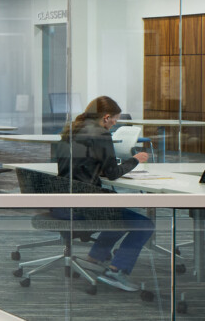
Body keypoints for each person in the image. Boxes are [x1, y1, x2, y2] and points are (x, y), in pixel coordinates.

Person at [51, 95, 152, 292]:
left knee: (117, 213)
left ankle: (95, 258)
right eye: (115, 119)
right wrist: (135, 159)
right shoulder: (101, 134)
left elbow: (84, 164)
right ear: (106, 117)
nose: (115, 124)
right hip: (83, 207)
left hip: (61, 203)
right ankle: (116, 271)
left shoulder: (71, 130)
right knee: (143, 224)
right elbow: (113, 173)